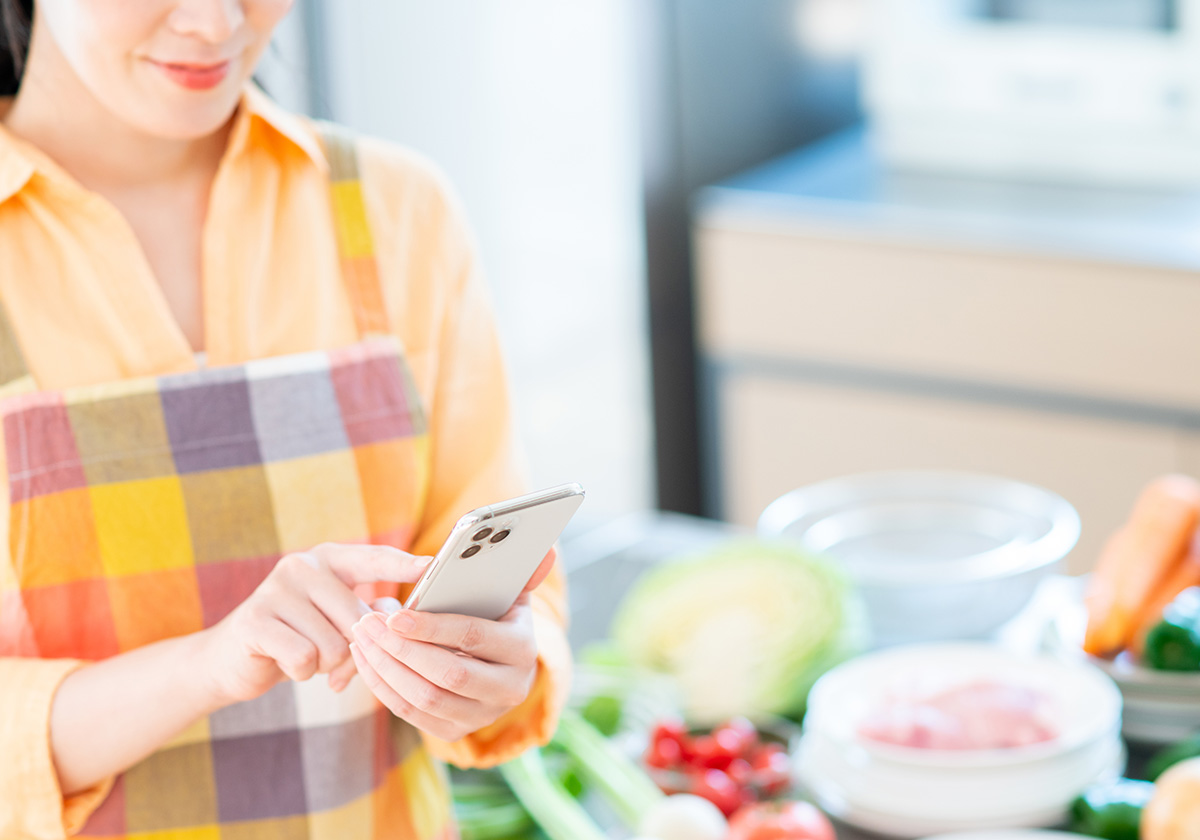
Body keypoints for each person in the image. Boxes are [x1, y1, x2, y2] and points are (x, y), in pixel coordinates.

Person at [0, 2, 571, 839]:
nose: (213, 23)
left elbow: (522, 599)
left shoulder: (396, 208)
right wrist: (207, 667)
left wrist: (495, 669)